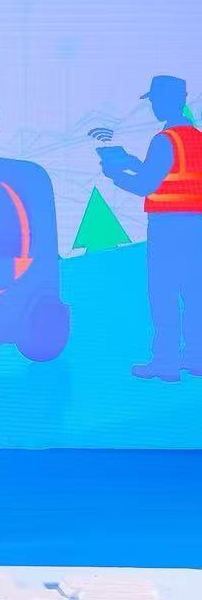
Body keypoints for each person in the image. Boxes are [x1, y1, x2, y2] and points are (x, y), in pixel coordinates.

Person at [98, 75, 202, 380]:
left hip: (167, 229)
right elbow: (172, 174)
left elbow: (146, 185)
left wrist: (116, 175)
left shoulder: (164, 140)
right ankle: (195, 359)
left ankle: (165, 364)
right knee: (194, 294)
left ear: (168, 101)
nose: (153, 105)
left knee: (164, 294)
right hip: (196, 227)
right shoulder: (196, 139)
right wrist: (133, 162)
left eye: (155, 100)